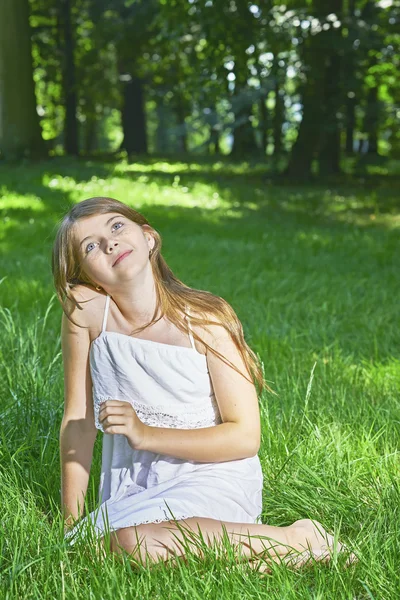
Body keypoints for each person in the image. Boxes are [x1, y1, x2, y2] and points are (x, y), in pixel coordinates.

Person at [53, 196, 353, 572]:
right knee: (95, 552)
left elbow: (244, 437)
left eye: (116, 226)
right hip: (136, 482)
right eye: (91, 246)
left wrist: (145, 434)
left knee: (133, 543)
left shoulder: (205, 322)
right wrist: (70, 522)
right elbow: (79, 420)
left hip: (213, 474)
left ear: (149, 238)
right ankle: (255, 560)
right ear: (87, 277)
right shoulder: (87, 313)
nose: (109, 242)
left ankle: (296, 538)